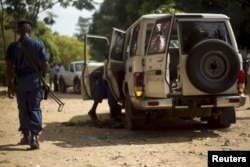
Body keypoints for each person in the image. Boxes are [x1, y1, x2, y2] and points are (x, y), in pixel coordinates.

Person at [5, 20, 49, 150]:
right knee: (34, 108)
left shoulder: (13, 47)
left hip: (20, 82)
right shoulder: (39, 44)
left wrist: (9, 85)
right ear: (30, 31)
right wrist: (43, 77)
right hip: (35, 82)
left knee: (23, 108)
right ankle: (34, 137)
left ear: (18, 31)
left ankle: (25, 136)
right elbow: (45, 64)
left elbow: (8, 67)